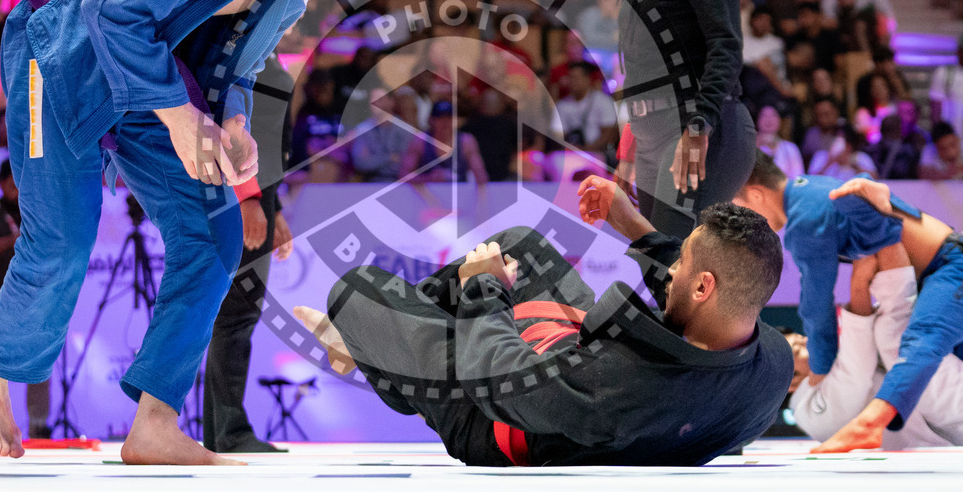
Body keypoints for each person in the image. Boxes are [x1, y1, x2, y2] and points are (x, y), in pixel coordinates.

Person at [0, 0, 404, 464]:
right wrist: (180, 119)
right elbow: (107, 8)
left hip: (152, 70)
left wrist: (234, 122)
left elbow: (239, 67)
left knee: (213, 233)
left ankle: (155, 423)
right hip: (60, 43)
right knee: (63, 236)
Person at [293, 178, 791, 466]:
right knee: (522, 246)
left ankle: (373, 354)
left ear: (703, 287)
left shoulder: (624, 386)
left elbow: (496, 379)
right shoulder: (770, 362)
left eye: (681, 263)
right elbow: (701, 288)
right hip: (568, 372)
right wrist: (632, 226)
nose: (673, 269)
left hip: (495, 413)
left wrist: (483, 288)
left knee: (356, 290)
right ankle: (379, 354)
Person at [735, 158, 963, 452]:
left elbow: (817, 308)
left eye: (742, 206)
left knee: (918, 340)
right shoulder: (812, 189)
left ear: (756, 194)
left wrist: (820, 370)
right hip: (937, 268)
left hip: (949, 266)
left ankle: (871, 423)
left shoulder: (805, 219)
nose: (751, 221)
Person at [618, 0, 756, 239]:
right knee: (653, 255)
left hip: (697, 126)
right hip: (652, 131)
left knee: (672, 254)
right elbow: (643, 61)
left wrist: (699, 126)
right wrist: (631, 137)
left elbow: (725, 45)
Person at [203, 56, 295, 453]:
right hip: (240, 191)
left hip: (258, 192)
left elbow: (269, 140)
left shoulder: (263, 52)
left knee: (238, 315)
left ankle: (224, 431)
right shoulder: (245, 51)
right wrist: (247, 198)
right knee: (235, 315)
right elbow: (231, 125)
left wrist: (275, 208)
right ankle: (229, 432)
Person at [788, 254, 963, 448]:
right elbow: (858, 369)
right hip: (952, 418)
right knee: (891, 333)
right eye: (797, 350)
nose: (807, 342)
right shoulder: (808, 413)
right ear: (791, 382)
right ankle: (885, 243)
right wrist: (859, 282)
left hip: (948, 415)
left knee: (895, 330)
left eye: (800, 338)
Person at [0, 160, 51, 439]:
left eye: (21, 181)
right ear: (1, 183)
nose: (18, 188)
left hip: (35, 303)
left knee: (39, 365)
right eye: (13, 182)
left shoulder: (36, 213)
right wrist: (12, 241)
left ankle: (38, 426)